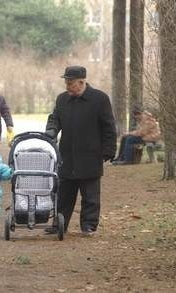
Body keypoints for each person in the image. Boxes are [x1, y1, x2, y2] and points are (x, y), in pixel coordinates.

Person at [45, 65, 117, 236]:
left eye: (70, 83)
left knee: (90, 195)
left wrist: (109, 150)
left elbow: (109, 127)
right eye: (66, 82)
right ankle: (59, 224)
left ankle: (89, 226)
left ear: (82, 82)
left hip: (91, 155)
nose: (67, 86)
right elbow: (54, 119)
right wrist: (51, 130)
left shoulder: (100, 99)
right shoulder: (62, 99)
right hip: (67, 155)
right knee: (63, 194)